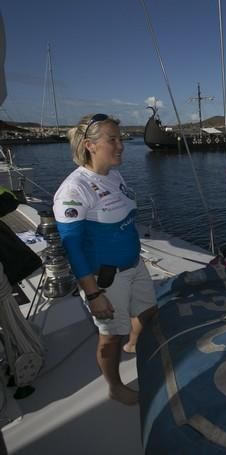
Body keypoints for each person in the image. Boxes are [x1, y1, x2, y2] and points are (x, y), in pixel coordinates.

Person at [53, 114, 157, 405]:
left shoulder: (113, 175)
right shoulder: (74, 190)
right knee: (111, 338)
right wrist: (94, 294)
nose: (121, 145)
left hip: (134, 265)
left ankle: (135, 345)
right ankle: (114, 385)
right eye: (113, 139)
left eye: (120, 138)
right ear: (90, 145)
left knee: (149, 315)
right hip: (107, 278)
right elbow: (73, 248)